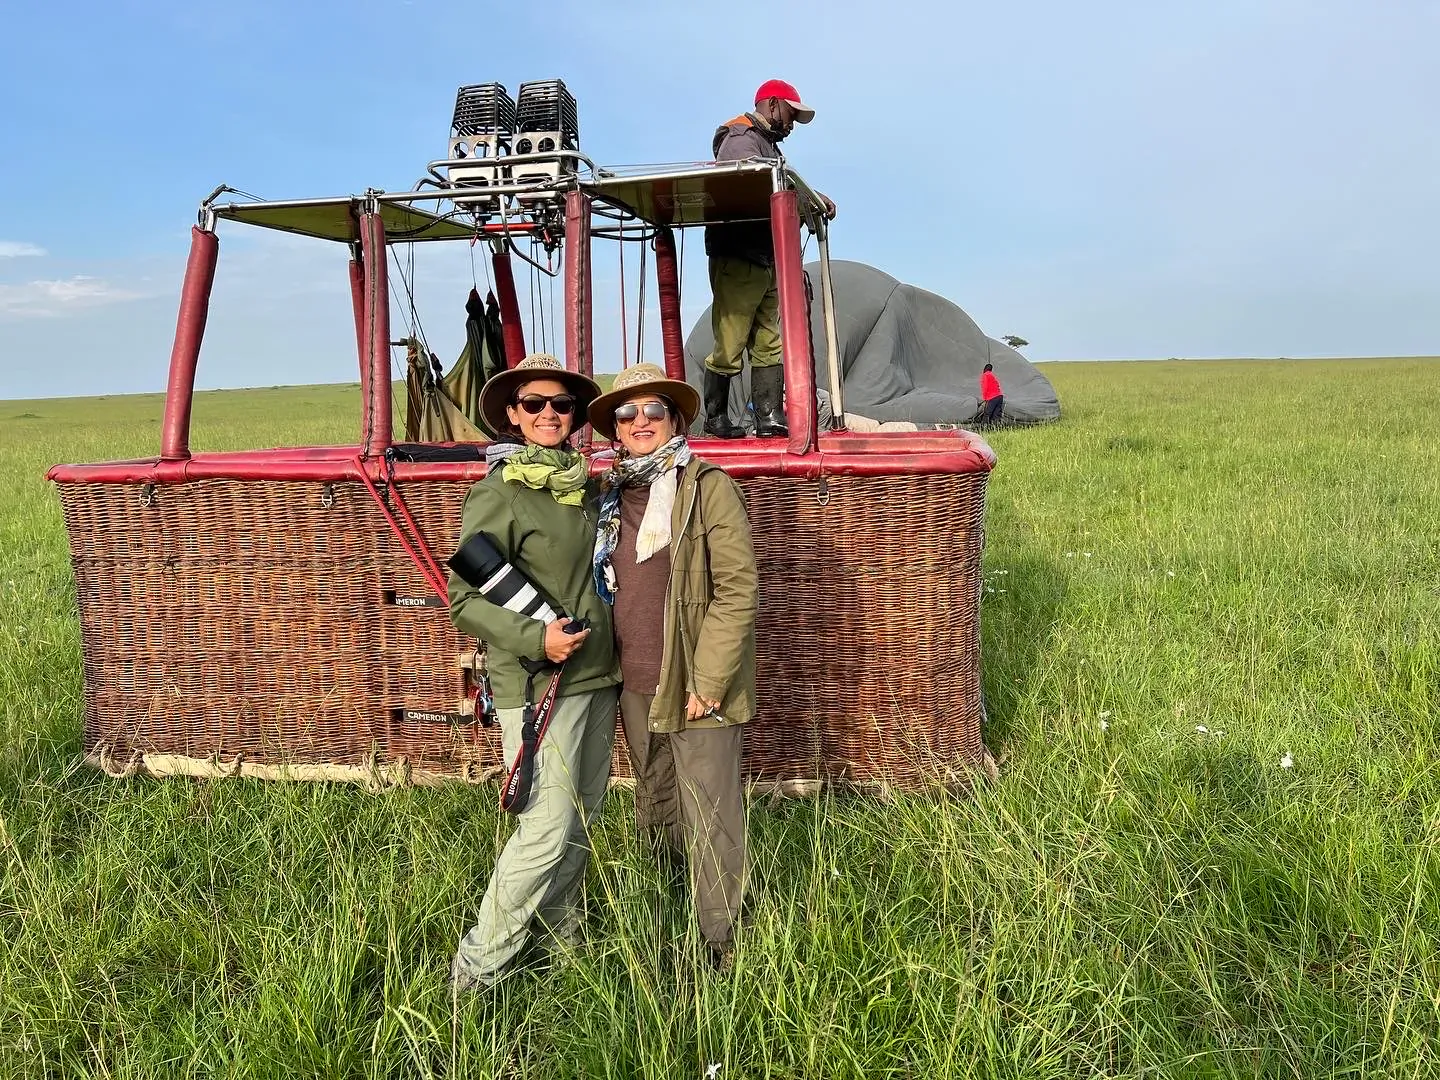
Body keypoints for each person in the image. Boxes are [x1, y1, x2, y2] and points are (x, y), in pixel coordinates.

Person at [446, 352, 621, 993]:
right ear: (515, 417)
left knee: (582, 816)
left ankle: (561, 938)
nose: (549, 414)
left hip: (600, 674)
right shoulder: (497, 493)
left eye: (562, 404)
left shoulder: (591, 489)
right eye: (534, 404)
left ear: (576, 417)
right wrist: (535, 638)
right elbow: (463, 597)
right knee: (545, 827)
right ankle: (478, 966)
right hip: (541, 681)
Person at [588, 363, 758, 970]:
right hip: (634, 679)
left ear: (676, 419)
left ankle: (720, 947)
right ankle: (663, 909)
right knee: (656, 798)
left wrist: (708, 681)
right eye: (626, 414)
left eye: (653, 411)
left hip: (692, 679)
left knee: (710, 812)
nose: (640, 422)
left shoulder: (707, 486)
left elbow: (737, 588)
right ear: (613, 428)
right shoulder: (610, 495)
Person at [703, 79, 836, 441]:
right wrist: (800, 191)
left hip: (765, 257)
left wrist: (810, 199)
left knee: (768, 342)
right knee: (731, 342)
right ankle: (715, 419)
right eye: (790, 115)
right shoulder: (742, 139)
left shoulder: (768, 146)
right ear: (773, 105)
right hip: (740, 255)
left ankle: (769, 416)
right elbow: (745, 185)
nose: (791, 125)